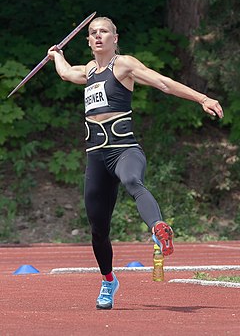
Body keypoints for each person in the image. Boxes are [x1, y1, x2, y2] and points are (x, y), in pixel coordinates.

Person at [47, 16, 224, 310]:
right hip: (96, 157)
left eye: (104, 31)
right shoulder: (90, 70)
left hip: (125, 150)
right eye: (93, 33)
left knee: (132, 181)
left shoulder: (124, 65)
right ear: (89, 41)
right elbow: (67, 74)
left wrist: (201, 98)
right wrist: (56, 55)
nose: (98, 36)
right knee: (98, 229)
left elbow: (163, 83)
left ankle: (158, 229)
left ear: (115, 38)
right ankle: (108, 280)